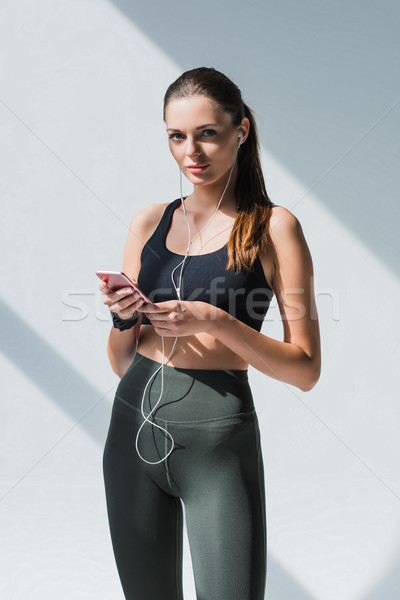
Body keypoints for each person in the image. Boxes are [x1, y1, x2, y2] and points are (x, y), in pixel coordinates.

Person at [98, 67, 321, 600]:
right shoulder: (149, 221)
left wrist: (217, 321)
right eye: (177, 136)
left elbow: (306, 370)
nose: (190, 152)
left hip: (218, 443)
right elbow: (120, 361)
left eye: (207, 133)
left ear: (240, 131)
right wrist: (125, 317)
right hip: (132, 430)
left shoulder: (272, 227)